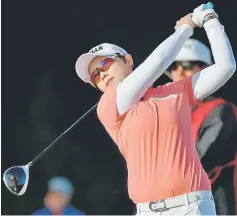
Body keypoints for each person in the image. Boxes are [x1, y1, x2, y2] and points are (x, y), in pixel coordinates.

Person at [75, 4, 236, 216]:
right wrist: (185, 29)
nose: (101, 75)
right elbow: (156, 63)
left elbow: (226, 67)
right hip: (147, 211)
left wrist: (209, 19)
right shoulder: (108, 107)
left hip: (193, 206)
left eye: (105, 64)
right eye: (94, 76)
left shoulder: (176, 91)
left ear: (128, 60)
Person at [166, 38, 237, 215]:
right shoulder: (169, 114)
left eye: (187, 64)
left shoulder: (220, 111)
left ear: (206, 69)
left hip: (220, 203)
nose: (179, 71)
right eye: (174, 66)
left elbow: (199, 161)